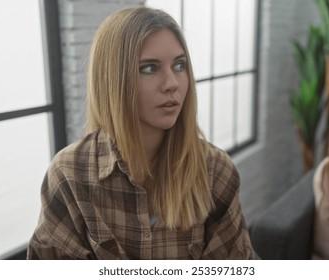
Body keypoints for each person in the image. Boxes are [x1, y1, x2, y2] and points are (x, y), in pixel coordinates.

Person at [27, 6, 255, 260]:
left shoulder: (215, 171)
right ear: (113, 79)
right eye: (149, 68)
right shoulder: (70, 174)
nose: (172, 84)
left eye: (179, 65)